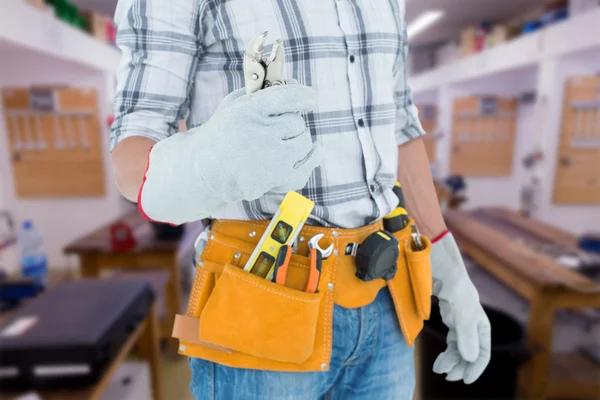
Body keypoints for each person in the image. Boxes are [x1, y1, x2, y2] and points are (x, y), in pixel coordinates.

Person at [110, 1, 491, 398]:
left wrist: (448, 266)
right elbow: (132, 151)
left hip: (386, 300)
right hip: (262, 301)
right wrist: (207, 163)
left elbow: (399, 122)